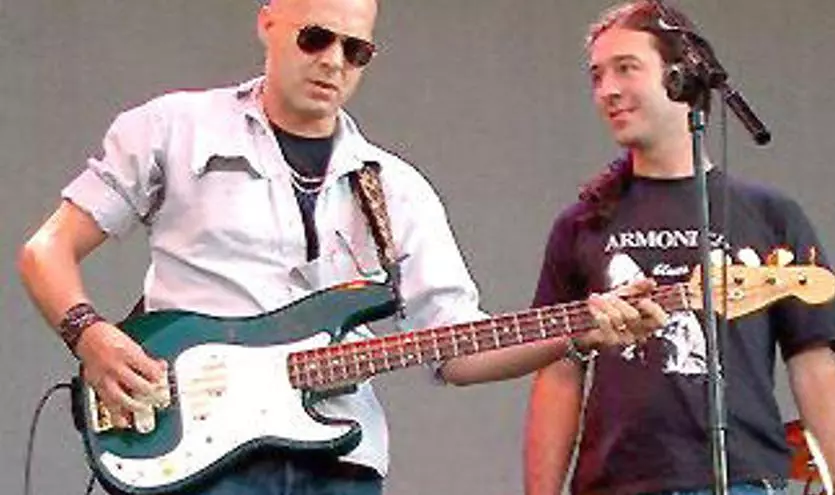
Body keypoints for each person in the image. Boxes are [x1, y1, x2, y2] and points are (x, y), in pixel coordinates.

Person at [18, 0, 666, 494]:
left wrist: (578, 332)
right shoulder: (173, 129)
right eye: (316, 38)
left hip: (339, 463)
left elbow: (457, 350)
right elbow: (46, 250)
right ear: (268, 21)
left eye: (356, 50)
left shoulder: (398, 190)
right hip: (191, 448)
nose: (334, 61)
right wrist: (89, 334)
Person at [523, 2, 835, 494]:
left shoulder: (769, 213)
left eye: (626, 68)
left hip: (741, 481)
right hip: (613, 484)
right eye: (597, 76)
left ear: (681, 77)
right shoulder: (581, 223)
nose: (607, 90)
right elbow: (558, 372)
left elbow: (814, 368)